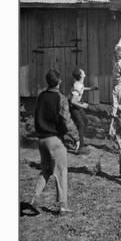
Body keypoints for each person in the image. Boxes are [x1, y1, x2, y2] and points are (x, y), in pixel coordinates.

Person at [30, 68, 79, 215]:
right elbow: (66, 120)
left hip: (41, 140)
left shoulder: (40, 97)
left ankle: (33, 200)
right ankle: (62, 205)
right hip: (55, 141)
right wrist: (75, 137)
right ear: (59, 82)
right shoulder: (61, 98)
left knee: (45, 171)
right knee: (61, 172)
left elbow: (36, 116)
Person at [68, 67, 98, 154]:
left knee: (85, 121)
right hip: (73, 106)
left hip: (77, 105)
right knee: (81, 124)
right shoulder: (77, 85)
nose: (84, 72)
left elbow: (82, 88)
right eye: (82, 72)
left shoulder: (79, 84)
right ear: (81, 75)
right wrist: (83, 105)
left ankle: (78, 139)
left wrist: (90, 89)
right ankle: (80, 147)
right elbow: (73, 101)